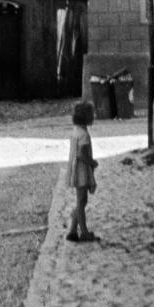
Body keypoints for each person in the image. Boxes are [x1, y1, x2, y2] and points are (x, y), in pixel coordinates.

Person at [65, 99, 98, 242]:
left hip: (76, 170)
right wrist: (93, 162)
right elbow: (82, 154)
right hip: (82, 171)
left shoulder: (76, 131)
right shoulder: (84, 134)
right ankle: (83, 232)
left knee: (80, 201)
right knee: (81, 201)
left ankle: (72, 231)